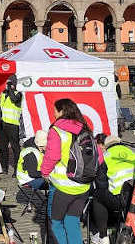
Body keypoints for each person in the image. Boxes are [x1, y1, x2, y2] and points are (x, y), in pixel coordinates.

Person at [40, 98, 91, 244]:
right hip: (83, 185)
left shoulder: (57, 130)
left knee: (56, 223)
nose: (54, 114)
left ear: (61, 111)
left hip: (64, 186)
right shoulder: (84, 128)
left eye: (55, 111)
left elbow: (52, 156)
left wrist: (44, 172)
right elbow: (97, 156)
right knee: (72, 221)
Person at [91, 134, 135, 244]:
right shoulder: (134, 154)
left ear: (107, 146)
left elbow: (101, 184)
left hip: (121, 198)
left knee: (97, 196)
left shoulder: (105, 156)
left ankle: (103, 236)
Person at [0, 75, 23, 177]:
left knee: (15, 148)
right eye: (7, 83)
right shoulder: (4, 94)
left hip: (13, 125)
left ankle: (17, 170)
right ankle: (4, 168)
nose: (7, 85)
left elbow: (14, 100)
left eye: (10, 83)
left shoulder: (18, 94)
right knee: (3, 148)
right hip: (3, 124)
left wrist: (10, 90)